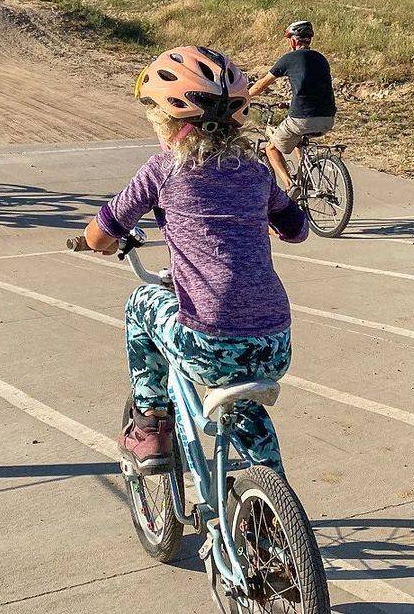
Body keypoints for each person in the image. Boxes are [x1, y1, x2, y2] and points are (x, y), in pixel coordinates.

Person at [80, 46, 308, 477]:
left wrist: (101, 243)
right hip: (274, 343)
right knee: (244, 407)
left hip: (209, 341)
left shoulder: (163, 169)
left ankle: (150, 424)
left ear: (167, 121)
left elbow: (100, 234)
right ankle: (271, 517)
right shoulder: (257, 170)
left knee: (141, 303)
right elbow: (297, 230)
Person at [246, 20, 336, 190]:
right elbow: (314, 87)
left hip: (303, 118)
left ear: (293, 41)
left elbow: (261, 85)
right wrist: (290, 103)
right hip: (327, 118)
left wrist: (243, 97)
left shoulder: (289, 59)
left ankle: (290, 186)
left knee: (271, 148)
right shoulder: (321, 59)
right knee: (298, 138)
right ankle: (305, 177)